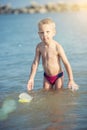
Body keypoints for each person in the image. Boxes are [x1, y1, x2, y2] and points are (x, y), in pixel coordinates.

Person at [27, 18, 79, 91]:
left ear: (53, 33)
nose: (44, 35)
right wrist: (31, 79)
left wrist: (71, 80)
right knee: (46, 93)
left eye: (47, 32)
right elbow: (35, 63)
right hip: (47, 77)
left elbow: (66, 63)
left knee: (58, 94)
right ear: (38, 34)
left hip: (58, 76)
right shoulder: (39, 47)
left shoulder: (57, 47)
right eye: (42, 32)